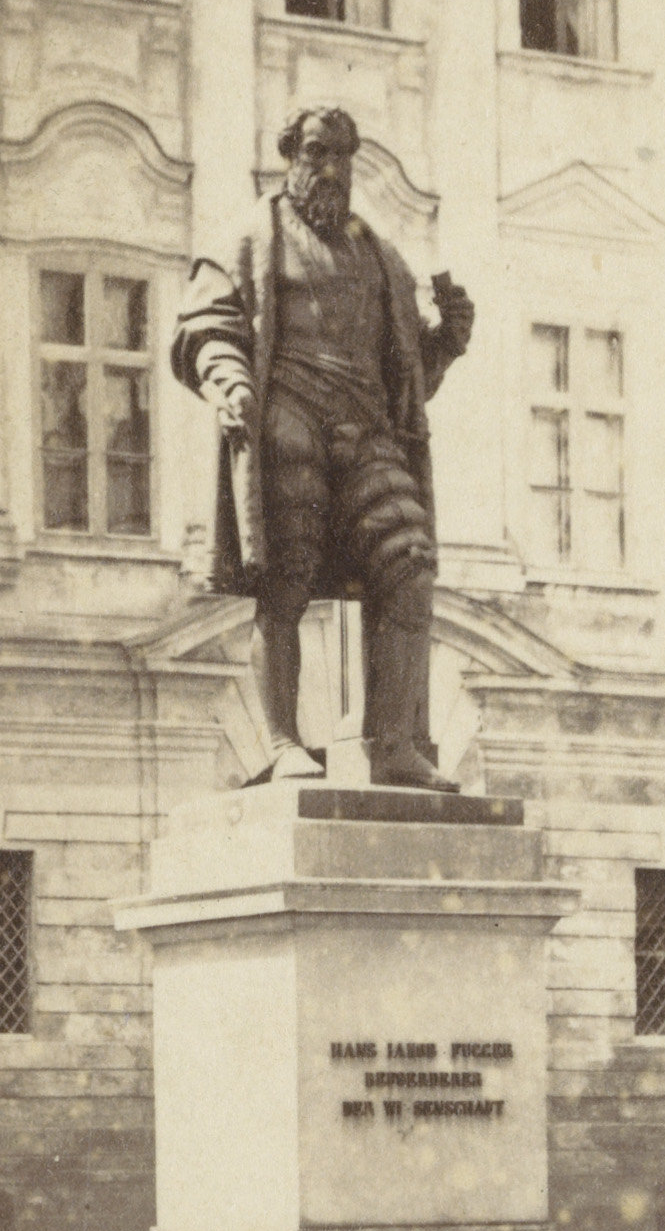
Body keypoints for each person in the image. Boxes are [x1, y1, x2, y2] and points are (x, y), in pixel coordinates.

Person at [172, 107, 474, 790]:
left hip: (365, 427)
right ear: (291, 156)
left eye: (343, 155)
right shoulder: (255, 235)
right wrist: (230, 380)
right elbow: (208, 324)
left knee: (411, 564)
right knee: (287, 573)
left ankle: (391, 744)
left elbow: (406, 378)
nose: (331, 168)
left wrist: (446, 342)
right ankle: (283, 741)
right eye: (317, 152)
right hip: (289, 413)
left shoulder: (378, 255)